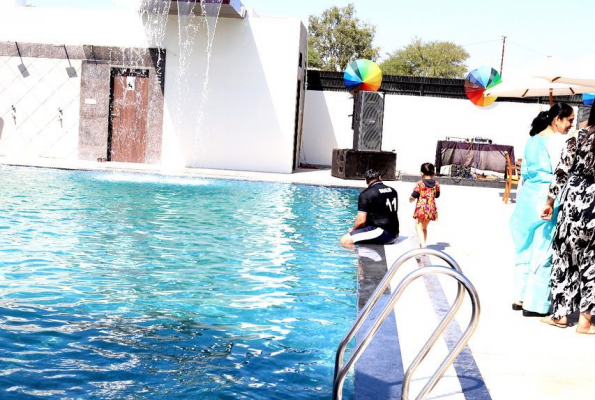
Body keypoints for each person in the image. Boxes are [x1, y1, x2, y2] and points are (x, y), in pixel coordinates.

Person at [509, 103, 574, 318]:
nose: (571, 126)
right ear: (558, 119)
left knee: (525, 246)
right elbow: (561, 172)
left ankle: (520, 295)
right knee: (544, 248)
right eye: (569, 121)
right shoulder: (557, 142)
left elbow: (524, 173)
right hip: (547, 197)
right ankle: (535, 302)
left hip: (528, 196)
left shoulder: (532, 140)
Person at [540, 105, 595, 334]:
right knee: (592, 262)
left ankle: (560, 315)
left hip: (574, 199)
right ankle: (584, 321)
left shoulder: (579, 137)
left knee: (564, 255)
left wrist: (550, 202)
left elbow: (562, 171)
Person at [340, 169, 399, 249]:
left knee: (345, 240)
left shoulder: (366, 194)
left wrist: (353, 230)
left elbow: (361, 221)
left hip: (383, 233)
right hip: (395, 232)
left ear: (366, 181)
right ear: (380, 178)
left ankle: (355, 255)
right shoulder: (393, 190)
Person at [409, 162, 440, 248]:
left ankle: (423, 244)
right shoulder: (436, 184)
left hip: (421, 208)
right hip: (431, 208)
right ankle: (422, 244)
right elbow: (437, 195)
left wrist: (411, 199)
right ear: (433, 173)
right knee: (424, 227)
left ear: (421, 173)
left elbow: (414, 195)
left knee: (418, 226)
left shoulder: (420, 183)